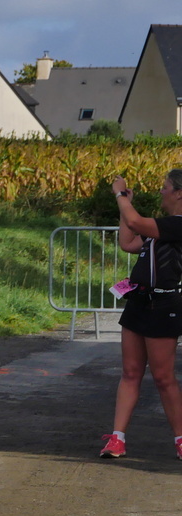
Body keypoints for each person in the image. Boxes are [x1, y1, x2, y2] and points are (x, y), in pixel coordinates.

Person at [101, 170, 182, 459]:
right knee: (130, 372)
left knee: (163, 377)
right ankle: (117, 439)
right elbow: (128, 241)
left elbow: (136, 222)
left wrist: (120, 195)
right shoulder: (160, 227)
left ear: (179, 193)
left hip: (164, 305)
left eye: (165, 188)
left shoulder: (177, 224)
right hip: (138, 302)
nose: (161, 192)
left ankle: (180, 439)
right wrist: (125, 205)